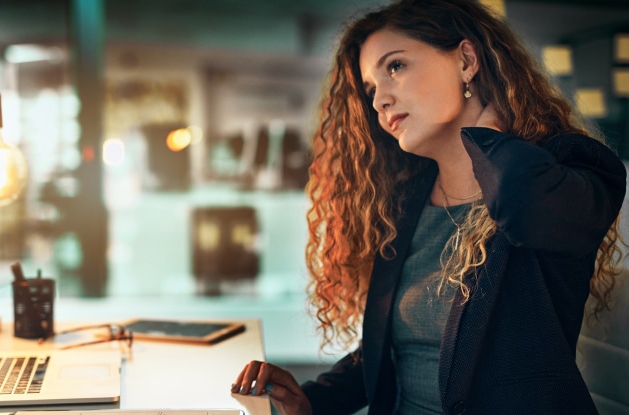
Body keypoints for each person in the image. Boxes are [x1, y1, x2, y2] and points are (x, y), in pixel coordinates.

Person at [231, 0, 627, 414]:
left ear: (466, 60)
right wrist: (311, 399)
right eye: (370, 89)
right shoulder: (406, 201)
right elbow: (399, 352)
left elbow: (524, 207)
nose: (381, 99)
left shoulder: (567, 166)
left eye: (396, 67)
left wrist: (484, 135)